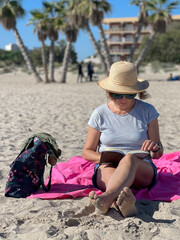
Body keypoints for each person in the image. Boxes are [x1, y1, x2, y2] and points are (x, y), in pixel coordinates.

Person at [82, 61, 163, 217]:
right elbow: (87, 152)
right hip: (108, 165)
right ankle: (122, 204)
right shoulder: (100, 114)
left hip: (141, 168)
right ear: (109, 92)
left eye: (130, 94)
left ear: (137, 92)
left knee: (129, 159)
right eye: (118, 94)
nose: (124, 100)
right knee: (107, 168)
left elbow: (158, 153)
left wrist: (155, 147)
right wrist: (104, 157)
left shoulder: (148, 111)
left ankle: (106, 199)